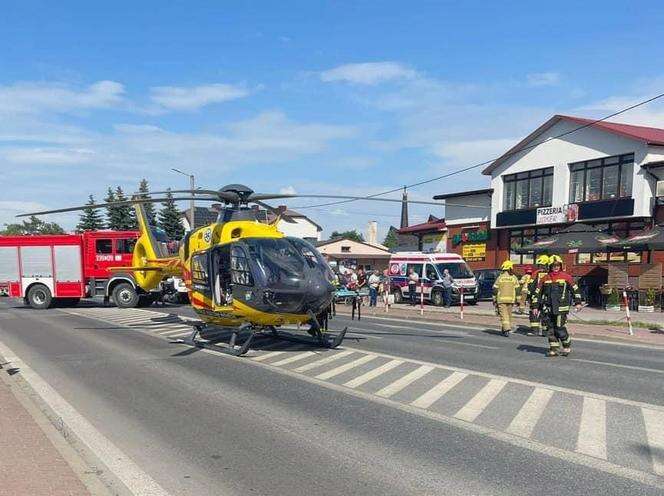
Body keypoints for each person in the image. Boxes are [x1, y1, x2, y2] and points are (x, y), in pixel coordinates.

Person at [532, 255, 583, 357]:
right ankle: (554, 349)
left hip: (561, 308)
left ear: (560, 266)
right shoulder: (545, 278)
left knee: (559, 327)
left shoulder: (566, 277)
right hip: (548, 308)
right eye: (554, 265)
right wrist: (535, 306)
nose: (556, 267)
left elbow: (575, 290)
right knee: (550, 329)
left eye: (558, 265)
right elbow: (537, 293)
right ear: (550, 266)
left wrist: (578, 302)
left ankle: (566, 345)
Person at [493, 260, 520, 337]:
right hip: (511, 300)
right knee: (508, 315)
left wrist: (494, 299)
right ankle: (505, 328)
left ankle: (506, 329)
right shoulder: (514, 278)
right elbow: (517, 290)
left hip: (501, 300)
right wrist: (518, 300)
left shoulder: (500, 277)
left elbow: (495, 289)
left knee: (504, 315)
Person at [527, 255, 550, 336]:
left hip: (536, 297)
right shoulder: (550, 274)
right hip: (546, 298)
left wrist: (529, 297)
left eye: (541, 265)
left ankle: (535, 331)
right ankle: (545, 332)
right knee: (545, 314)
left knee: (534, 313)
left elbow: (530, 285)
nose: (541, 267)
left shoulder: (535, 273)